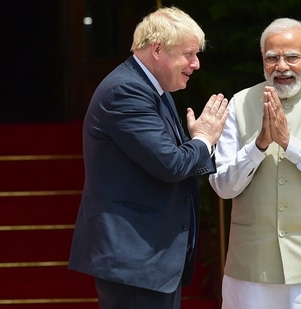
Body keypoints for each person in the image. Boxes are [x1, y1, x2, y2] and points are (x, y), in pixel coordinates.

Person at [68, 6, 229, 309]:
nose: (195, 64)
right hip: (135, 260)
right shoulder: (126, 90)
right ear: (157, 49)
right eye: (189, 54)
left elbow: (176, 157)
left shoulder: (155, 89)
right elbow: (171, 164)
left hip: (150, 260)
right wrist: (204, 139)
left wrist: (196, 142)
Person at [209, 17, 301, 308]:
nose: (281, 67)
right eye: (272, 58)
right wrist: (259, 146)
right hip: (251, 268)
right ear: (262, 59)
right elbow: (223, 186)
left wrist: (290, 144)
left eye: (292, 57)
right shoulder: (240, 103)